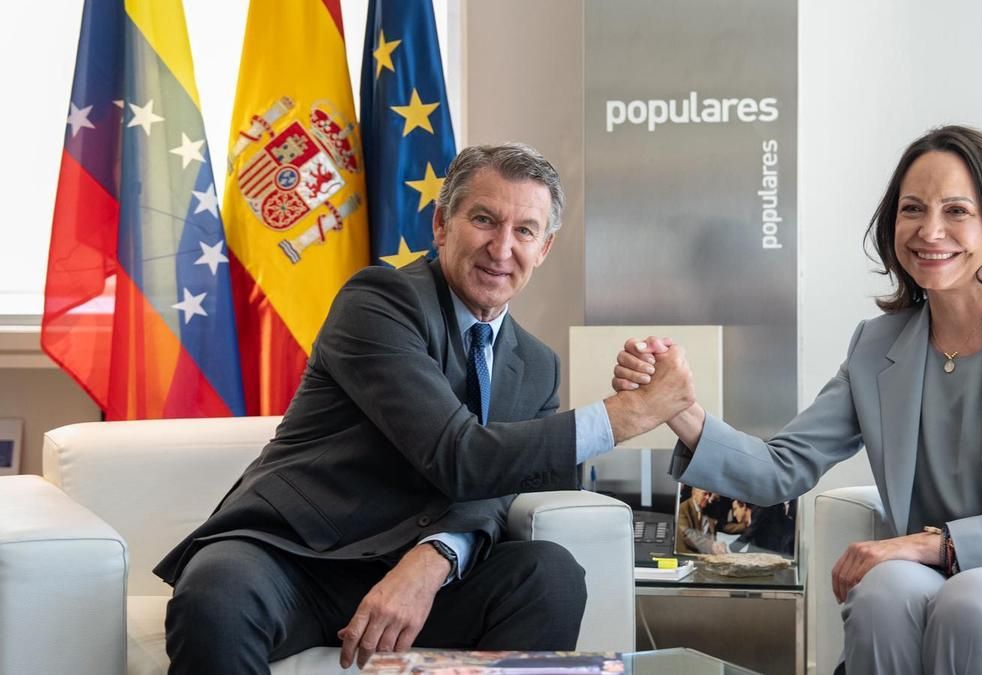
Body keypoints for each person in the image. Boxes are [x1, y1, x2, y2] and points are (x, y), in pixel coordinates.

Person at [613, 126, 982, 674]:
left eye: (957, 212)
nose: (930, 231)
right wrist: (679, 408)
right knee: (885, 593)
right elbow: (780, 467)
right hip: (962, 586)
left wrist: (932, 543)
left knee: (973, 599)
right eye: (912, 209)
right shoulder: (878, 347)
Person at [154, 143, 695, 674]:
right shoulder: (379, 302)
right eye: (484, 219)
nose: (502, 248)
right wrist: (631, 413)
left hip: (422, 576)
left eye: (524, 231)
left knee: (548, 575)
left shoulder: (535, 365)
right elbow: (460, 456)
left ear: (544, 248)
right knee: (216, 595)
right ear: (441, 225)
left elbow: (511, 486)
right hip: (297, 556)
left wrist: (437, 556)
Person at [676, 486, 729, 554]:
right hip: (689, 554)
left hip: (707, 554)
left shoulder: (709, 509)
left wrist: (746, 524)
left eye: (709, 494)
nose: (708, 497)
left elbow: (723, 526)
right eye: (705, 494)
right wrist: (712, 545)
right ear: (694, 493)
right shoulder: (682, 509)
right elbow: (687, 534)